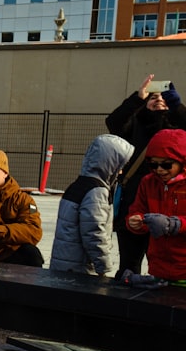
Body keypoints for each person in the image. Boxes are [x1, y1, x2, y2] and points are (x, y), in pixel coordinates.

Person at [106, 73, 186, 274]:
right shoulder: (135, 124)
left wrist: (176, 105)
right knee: (129, 266)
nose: (158, 99)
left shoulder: (177, 128)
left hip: (169, 208)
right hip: (135, 202)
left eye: (163, 98)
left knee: (165, 266)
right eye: (152, 97)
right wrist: (137, 97)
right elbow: (113, 122)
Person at [49, 133, 134, 277]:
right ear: (109, 163)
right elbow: (94, 233)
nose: (120, 171)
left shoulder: (77, 184)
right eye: (119, 166)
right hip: (81, 268)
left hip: (64, 262)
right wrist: (103, 267)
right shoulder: (97, 191)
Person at [126, 128, 186, 282]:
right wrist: (136, 221)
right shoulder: (148, 182)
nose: (159, 169)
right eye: (154, 164)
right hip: (158, 266)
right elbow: (138, 209)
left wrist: (175, 224)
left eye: (166, 165)